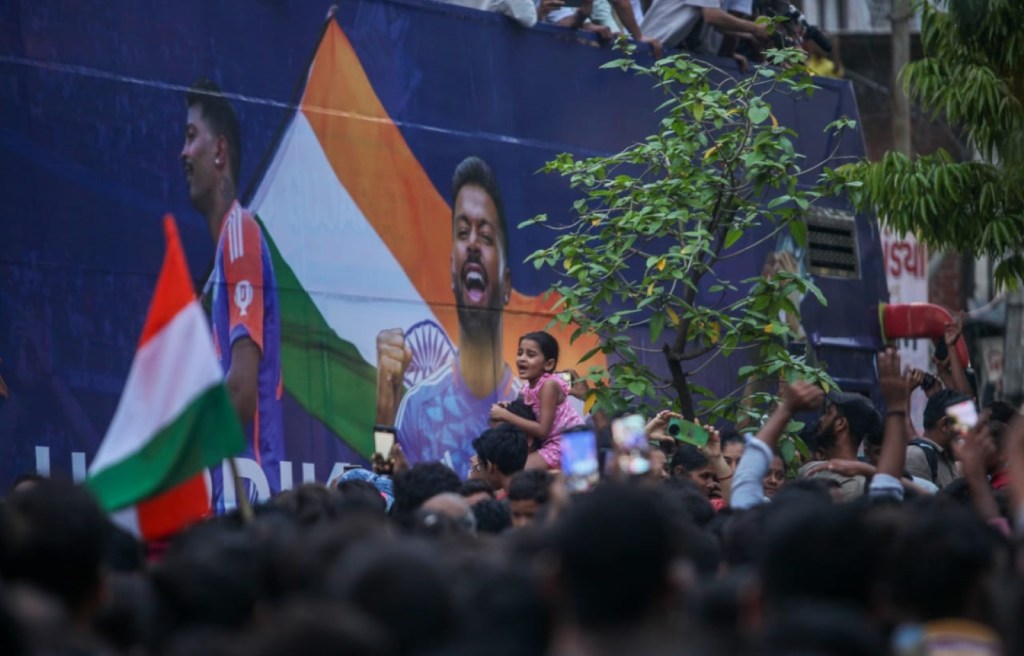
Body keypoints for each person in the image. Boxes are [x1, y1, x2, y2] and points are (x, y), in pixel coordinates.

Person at [376, 157, 520, 478]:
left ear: (506, 285)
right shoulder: (417, 407)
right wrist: (385, 410)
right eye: (462, 232)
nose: (471, 245)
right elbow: (382, 481)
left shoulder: (530, 408)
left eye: (485, 237)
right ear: (453, 274)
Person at [182, 78, 283, 507]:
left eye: (191, 137)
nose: (183, 154)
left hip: (245, 492)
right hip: (236, 489)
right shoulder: (229, 243)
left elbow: (241, 393)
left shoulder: (239, 234)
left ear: (219, 150)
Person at [489, 332, 584, 470]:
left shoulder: (548, 385)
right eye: (520, 353)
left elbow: (543, 430)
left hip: (568, 442)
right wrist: (507, 407)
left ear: (549, 364)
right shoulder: (526, 388)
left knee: (518, 472)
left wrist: (505, 415)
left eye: (530, 355)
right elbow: (531, 411)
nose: (522, 359)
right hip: (550, 443)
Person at [798, 391, 883, 502]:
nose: (821, 419)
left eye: (828, 413)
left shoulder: (854, 485)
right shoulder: (810, 469)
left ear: (840, 424)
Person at [640, 0, 769, 54]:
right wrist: (755, 28)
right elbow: (712, 17)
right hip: (654, 47)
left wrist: (750, 35)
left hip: (674, 50)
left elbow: (717, 26)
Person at [905, 390, 970, 489]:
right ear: (945, 425)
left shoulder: (947, 457)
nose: (967, 433)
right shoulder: (916, 456)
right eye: (963, 425)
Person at [469, 424, 528, 496]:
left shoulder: (509, 504)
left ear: (490, 467)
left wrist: (472, 485)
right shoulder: (538, 491)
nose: (475, 467)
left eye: (479, 465)